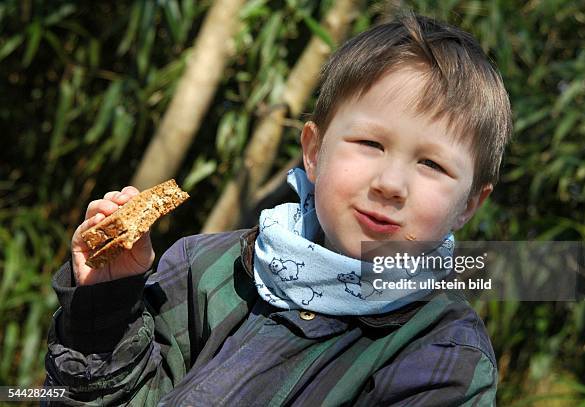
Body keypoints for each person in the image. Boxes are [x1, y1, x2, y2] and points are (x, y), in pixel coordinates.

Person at [44, 11, 512, 406]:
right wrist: (103, 308)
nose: (391, 184)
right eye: (370, 143)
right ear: (313, 151)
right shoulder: (206, 270)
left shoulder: (442, 357)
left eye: (431, 164)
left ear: (469, 204)